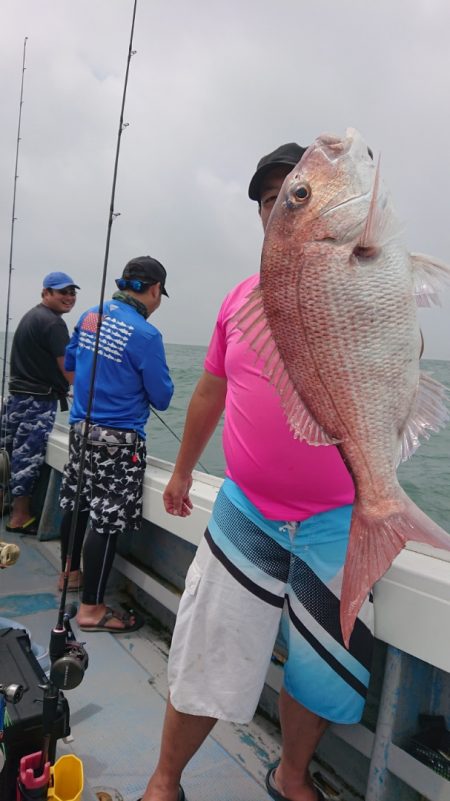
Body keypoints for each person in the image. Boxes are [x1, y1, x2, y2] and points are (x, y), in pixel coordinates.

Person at [141, 144, 374, 801]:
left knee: (321, 667)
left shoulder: (360, 285)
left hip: (336, 522)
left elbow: (400, 357)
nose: (281, 209)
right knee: (207, 649)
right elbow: (210, 393)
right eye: (271, 201)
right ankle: (166, 777)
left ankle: (291, 774)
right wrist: (183, 471)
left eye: (297, 195)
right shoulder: (239, 299)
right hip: (248, 511)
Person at [58, 255, 174, 632]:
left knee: (76, 502)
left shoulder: (89, 315)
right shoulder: (146, 334)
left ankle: (69, 574)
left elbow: (72, 364)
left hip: (80, 430)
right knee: (106, 520)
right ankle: (91, 609)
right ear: (154, 290)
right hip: (119, 442)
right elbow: (162, 396)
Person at [1, 272, 79, 533]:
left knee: (8, 453)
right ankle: (19, 517)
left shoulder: (32, 316)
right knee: (27, 457)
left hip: (16, 398)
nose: (69, 297)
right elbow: (69, 370)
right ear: (46, 293)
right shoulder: (54, 324)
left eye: (72, 292)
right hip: (37, 402)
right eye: (62, 292)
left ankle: (5, 505)